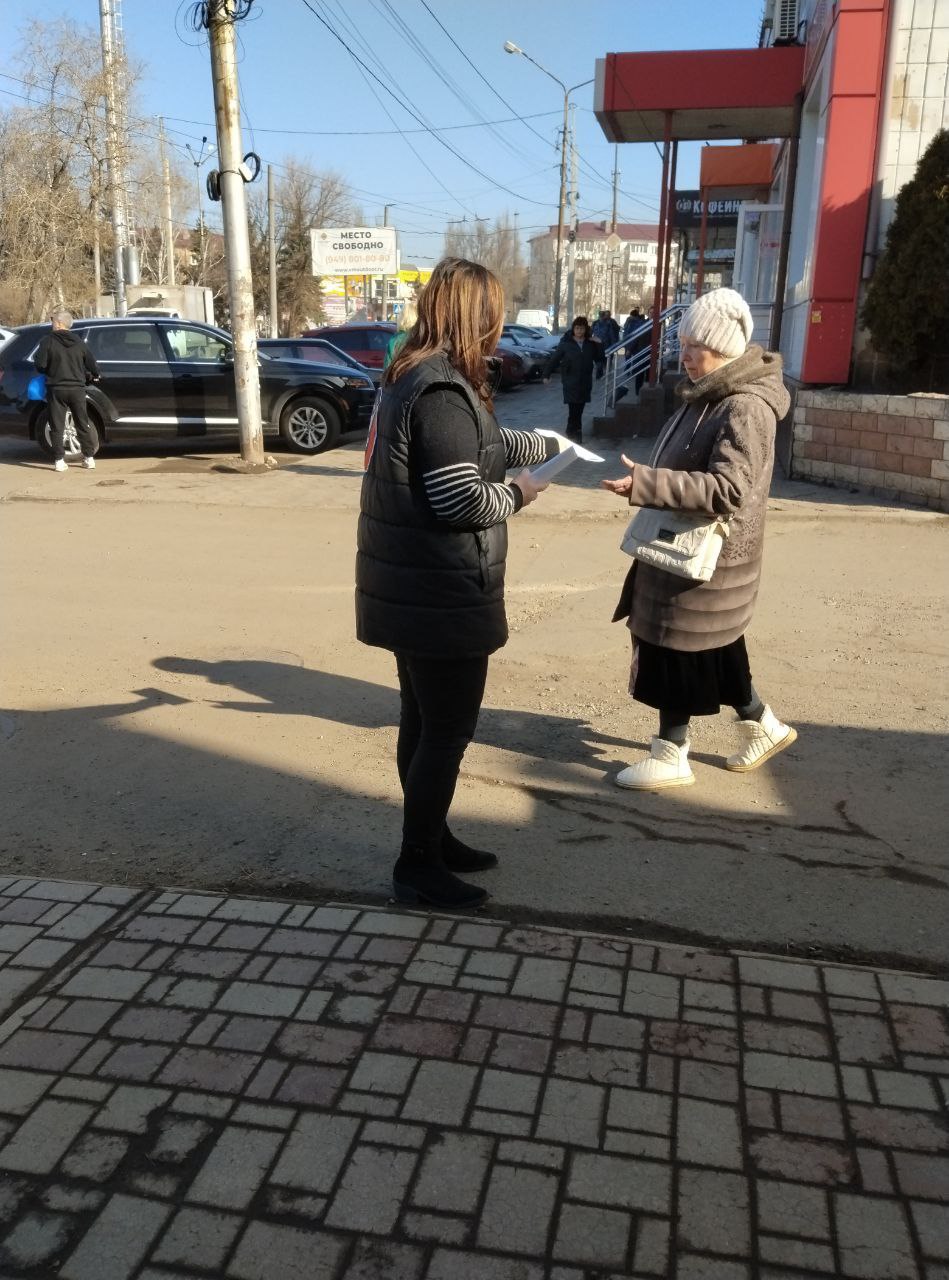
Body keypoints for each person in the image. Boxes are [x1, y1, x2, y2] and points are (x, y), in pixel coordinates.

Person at [356, 257, 562, 909]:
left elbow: (476, 444)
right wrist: (521, 493)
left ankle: (432, 838)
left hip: (412, 587)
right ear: (477, 318)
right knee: (444, 732)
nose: (500, 328)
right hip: (439, 592)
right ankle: (417, 864)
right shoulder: (442, 391)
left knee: (423, 722)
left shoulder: (414, 376)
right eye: (494, 316)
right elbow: (459, 498)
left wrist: (541, 446)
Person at [601, 287, 796, 789]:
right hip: (687, 546)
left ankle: (671, 754)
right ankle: (764, 726)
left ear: (724, 348)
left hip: (706, 557)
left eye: (694, 346)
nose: (683, 355)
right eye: (682, 343)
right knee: (714, 646)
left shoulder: (744, 407)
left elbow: (728, 489)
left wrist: (648, 484)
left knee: (673, 643)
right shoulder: (710, 391)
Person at [33, 310, 100, 472]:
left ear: (59, 323)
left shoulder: (47, 341)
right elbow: (92, 364)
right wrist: (95, 375)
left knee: (57, 425)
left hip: (56, 389)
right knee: (82, 423)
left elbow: (40, 365)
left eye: (53, 321)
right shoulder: (79, 342)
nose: (52, 324)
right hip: (77, 389)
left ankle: (59, 461)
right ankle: (89, 458)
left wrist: (50, 368)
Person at [542, 315, 606, 439]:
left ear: (586, 329)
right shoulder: (566, 343)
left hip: (585, 381)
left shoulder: (590, 344)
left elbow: (600, 358)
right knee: (573, 409)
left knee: (579, 409)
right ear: (573, 329)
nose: (579, 331)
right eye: (577, 328)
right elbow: (554, 359)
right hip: (570, 380)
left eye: (582, 328)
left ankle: (570, 430)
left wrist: (599, 344)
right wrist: (546, 375)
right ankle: (576, 434)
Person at [383, 299, 418, 369]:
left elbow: (387, 367)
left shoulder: (395, 340)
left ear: (403, 317)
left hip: (399, 374)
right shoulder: (423, 338)